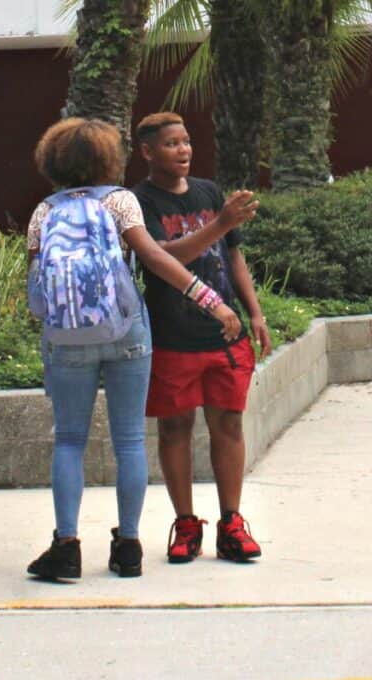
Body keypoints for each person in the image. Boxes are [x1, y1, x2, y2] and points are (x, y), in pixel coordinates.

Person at [23, 118, 243, 580]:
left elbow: (36, 286)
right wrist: (213, 301)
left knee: (68, 440)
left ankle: (65, 547)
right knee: (128, 442)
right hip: (127, 333)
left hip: (66, 338)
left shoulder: (44, 211)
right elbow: (157, 258)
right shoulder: (120, 201)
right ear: (107, 158)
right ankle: (128, 548)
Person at [132, 112, 268, 564]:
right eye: (171, 144)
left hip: (226, 336)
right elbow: (166, 258)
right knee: (175, 428)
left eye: (187, 141)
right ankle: (186, 523)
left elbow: (233, 258)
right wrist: (221, 223)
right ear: (148, 152)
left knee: (228, 424)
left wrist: (255, 312)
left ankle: (232, 522)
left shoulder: (209, 192)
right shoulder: (140, 202)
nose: (184, 150)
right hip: (173, 336)